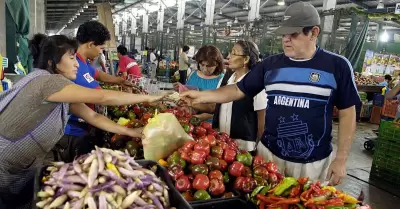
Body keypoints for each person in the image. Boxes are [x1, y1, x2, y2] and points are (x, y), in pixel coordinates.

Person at [182, 2, 359, 185]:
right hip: (270, 157)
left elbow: (347, 113)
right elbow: (237, 89)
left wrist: (341, 159)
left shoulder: (337, 67)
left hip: (313, 162)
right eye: (284, 34)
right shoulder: (270, 65)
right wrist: (201, 96)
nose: (286, 39)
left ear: (314, 32)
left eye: (294, 34)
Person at [0, 34, 163, 208]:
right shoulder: (48, 82)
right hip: (7, 158)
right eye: (71, 58)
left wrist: (131, 132)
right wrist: (146, 99)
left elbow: (93, 116)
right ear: (51, 62)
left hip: (22, 160)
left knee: (20, 199)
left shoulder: (59, 90)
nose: (77, 63)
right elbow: (102, 97)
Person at [58, 21, 136, 162]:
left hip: (83, 125)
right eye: (101, 47)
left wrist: (120, 81)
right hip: (74, 133)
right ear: (90, 44)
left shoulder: (83, 62)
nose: (101, 51)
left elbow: (97, 74)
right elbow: (102, 96)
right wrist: (144, 98)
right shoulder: (76, 67)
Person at [193, 40, 267, 151]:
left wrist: (260, 150)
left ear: (245, 59)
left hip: (244, 147)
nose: (228, 56)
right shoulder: (226, 79)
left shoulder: (256, 85)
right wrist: (192, 102)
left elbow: (262, 123)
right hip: (222, 143)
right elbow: (214, 107)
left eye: (234, 53)